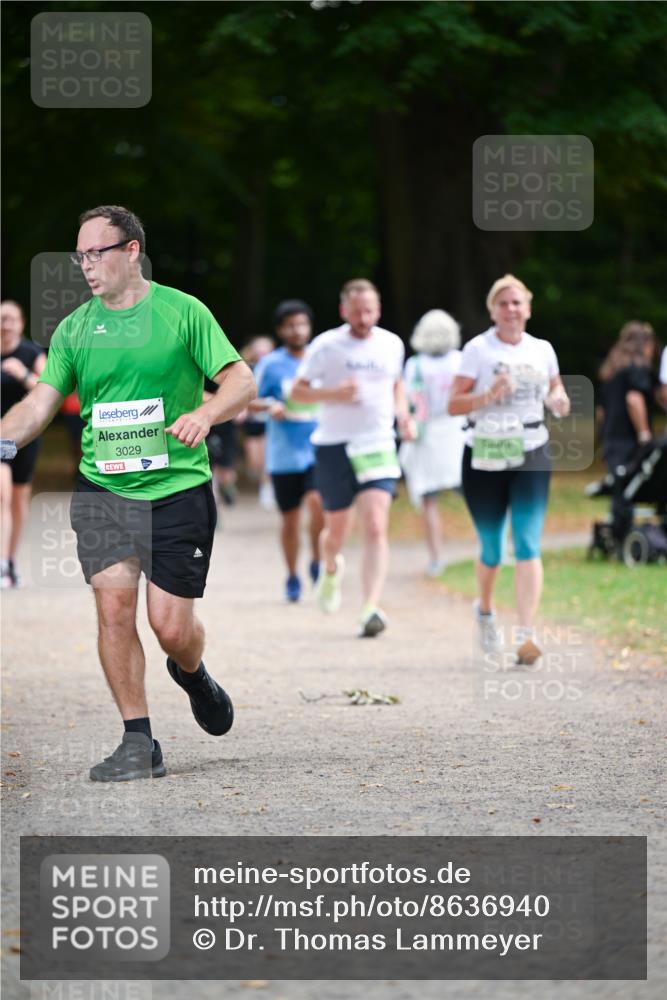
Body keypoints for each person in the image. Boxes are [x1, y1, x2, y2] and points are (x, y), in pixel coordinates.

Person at [0, 205, 256, 781]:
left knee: (170, 628)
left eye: (98, 253)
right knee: (113, 611)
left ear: (131, 251)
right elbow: (40, 404)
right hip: (103, 491)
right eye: (81, 256)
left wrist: (208, 413)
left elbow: (241, 379)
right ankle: (139, 741)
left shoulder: (182, 312)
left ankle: (193, 673)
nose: (86, 265)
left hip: (177, 489)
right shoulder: (74, 329)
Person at [448, 274, 570, 665]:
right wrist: (488, 395)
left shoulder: (543, 349)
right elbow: (453, 404)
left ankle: (525, 633)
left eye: (517, 302)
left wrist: (560, 400)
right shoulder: (477, 350)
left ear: (528, 309)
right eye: (503, 303)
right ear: (492, 310)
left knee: (529, 543)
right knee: (492, 548)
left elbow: (556, 390)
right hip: (484, 451)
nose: (511, 309)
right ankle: (484, 610)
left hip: (531, 450)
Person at [291, 279, 416, 637]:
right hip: (334, 445)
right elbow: (298, 392)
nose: (364, 318)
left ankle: (370, 607)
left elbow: (397, 385)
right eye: (357, 311)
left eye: (371, 311)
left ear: (378, 310)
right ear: (344, 310)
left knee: (376, 524)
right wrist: (335, 393)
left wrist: (403, 414)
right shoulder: (327, 345)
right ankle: (330, 568)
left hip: (377, 442)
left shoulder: (391, 344)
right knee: (337, 531)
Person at [252, 299, 324, 602]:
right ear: (281, 330)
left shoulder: (321, 359)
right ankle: (293, 575)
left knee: (318, 505)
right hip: (284, 454)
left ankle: (318, 561)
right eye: (291, 325)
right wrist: (272, 405)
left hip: (319, 447)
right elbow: (248, 399)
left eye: (302, 324)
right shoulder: (271, 364)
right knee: (291, 520)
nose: (298, 330)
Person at [398, 309, 465, 577]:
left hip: (427, 435)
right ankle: (493, 547)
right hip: (457, 430)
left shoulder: (415, 365)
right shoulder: (461, 360)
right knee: (475, 495)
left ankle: (436, 558)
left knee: (429, 501)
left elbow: (412, 402)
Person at [598, 321, 660, 545]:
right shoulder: (638, 368)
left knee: (622, 489)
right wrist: (644, 433)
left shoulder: (612, 370)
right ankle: (626, 537)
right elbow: (634, 399)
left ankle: (617, 535)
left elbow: (601, 411)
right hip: (628, 440)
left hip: (611, 439)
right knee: (633, 486)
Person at [1, 300, 46, 588]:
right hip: (0, 437)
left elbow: (48, 389)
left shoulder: (32, 352)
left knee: (19, 500)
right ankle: (2, 564)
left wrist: (23, 373)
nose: (5, 324)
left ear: (21, 323)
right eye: (1, 318)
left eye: (11, 319)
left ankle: (11, 561)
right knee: (1, 496)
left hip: (27, 437)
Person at [240, 335, 276, 510]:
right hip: (252, 422)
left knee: (269, 456)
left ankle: (267, 488)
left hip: (271, 420)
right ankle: (262, 480)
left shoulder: (275, 368)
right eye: (259, 350)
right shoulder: (246, 370)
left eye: (266, 350)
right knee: (255, 460)